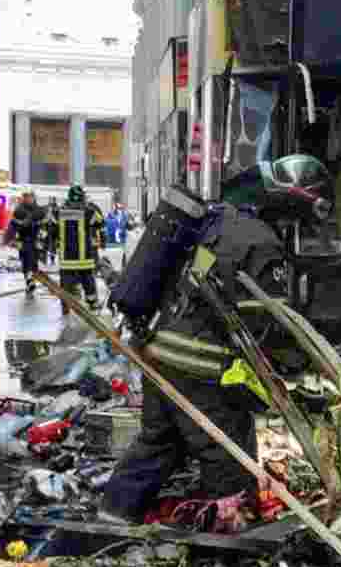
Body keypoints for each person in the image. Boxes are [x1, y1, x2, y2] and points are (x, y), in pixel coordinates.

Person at [99, 189, 290, 529]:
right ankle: (226, 542)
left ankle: (111, 517)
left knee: (159, 442)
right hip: (197, 365)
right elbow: (265, 316)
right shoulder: (263, 242)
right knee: (228, 453)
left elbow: (194, 283)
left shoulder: (215, 230)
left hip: (157, 352)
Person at [56, 185, 104, 313]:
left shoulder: (59, 211)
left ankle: (65, 306)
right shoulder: (88, 212)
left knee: (65, 283)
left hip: (66, 258)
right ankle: (92, 303)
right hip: (84, 257)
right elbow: (100, 222)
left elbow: (51, 228)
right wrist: (90, 206)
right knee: (88, 281)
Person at [11, 191, 46, 297]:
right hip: (24, 239)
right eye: (26, 197)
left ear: (33, 197)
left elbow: (44, 225)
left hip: (36, 240)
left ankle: (31, 280)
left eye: (30, 197)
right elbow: (13, 225)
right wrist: (14, 239)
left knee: (34, 262)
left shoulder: (39, 210)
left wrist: (42, 236)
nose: (28, 199)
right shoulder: (19, 210)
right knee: (26, 261)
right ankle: (29, 281)